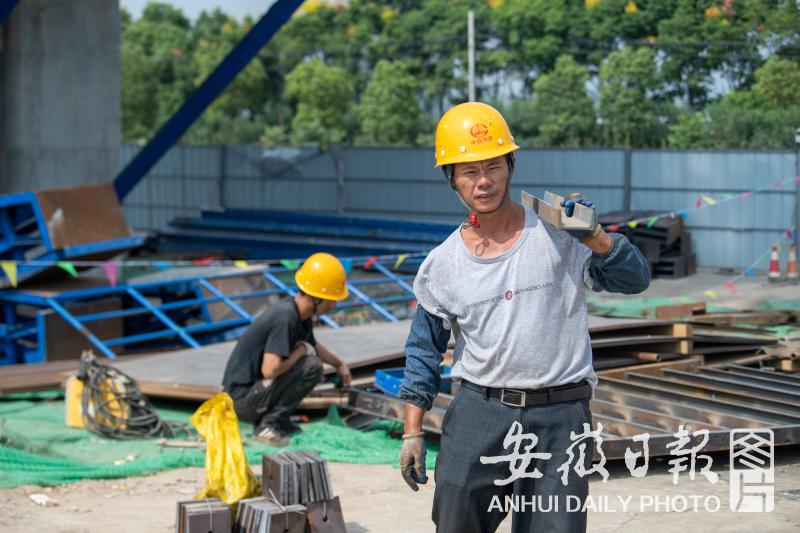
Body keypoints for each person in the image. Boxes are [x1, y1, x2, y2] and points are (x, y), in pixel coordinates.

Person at [398, 102, 651, 532]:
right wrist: (412, 432)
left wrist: (597, 237)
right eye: (468, 172)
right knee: (458, 522)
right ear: (451, 180)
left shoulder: (560, 235)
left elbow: (635, 279)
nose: (483, 182)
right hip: (481, 412)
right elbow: (424, 351)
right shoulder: (442, 265)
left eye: (493, 167)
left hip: (561, 415)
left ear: (510, 165)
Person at [222, 252, 353, 446]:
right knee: (311, 367)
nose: (334, 304)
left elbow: (314, 346)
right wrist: (299, 353)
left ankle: (279, 421)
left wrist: (339, 364)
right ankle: (268, 425)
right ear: (317, 298)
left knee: (311, 361)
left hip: (253, 392)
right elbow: (270, 370)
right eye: (331, 299)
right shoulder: (286, 318)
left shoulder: (301, 314)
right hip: (242, 400)